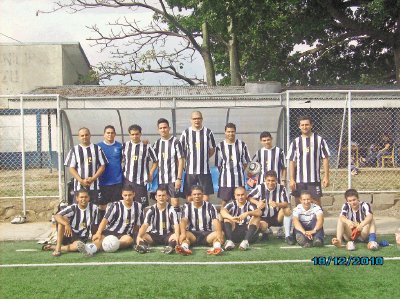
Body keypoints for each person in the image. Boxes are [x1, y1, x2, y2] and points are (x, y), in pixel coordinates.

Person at [77, 186, 144, 256]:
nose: (127, 197)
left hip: (125, 234)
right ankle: (90, 249)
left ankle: (109, 245)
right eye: (125, 195)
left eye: (130, 195)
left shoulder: (139, 206)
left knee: (129, 240)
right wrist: (98, 233)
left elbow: (137, 225)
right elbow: (105, 220)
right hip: (111, 231)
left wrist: (137, 237)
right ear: (122, 195)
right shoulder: (115, 205)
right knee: (99, 239)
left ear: (134, 194)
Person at [287, 115, 330, 206]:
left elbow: (325, 158)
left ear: (311, 125)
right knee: (299, 204)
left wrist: (326, 176)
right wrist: (291, 179)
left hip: (314, 178)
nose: (304, 127)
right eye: (302, 125)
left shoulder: (319, 140)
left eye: (307, 124)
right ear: (299, 126)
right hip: (299, 179)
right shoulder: (295, 142)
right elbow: (292, 161)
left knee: (317, 204)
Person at [42, 189, 99, 256]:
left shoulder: (94, 208)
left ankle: (54, 247)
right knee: (62, 220)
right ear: (77, 198)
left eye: (86, 197)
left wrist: (94, 238)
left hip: (82, 236)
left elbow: (95, 224)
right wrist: (66, 224)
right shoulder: (73, 208)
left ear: (89, 198)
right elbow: (57, 216)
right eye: (81, 197)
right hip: (69, 233)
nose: (84, 199)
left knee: (78, 246)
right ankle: (58, 249)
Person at [248, 170, 294, 245]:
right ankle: (266, 231)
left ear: (276, 180)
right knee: (261, 226)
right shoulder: (260, 187)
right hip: (264, 217)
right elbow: (249, 197)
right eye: (268, 180)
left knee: (287, 210)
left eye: (273, 181)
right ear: (265, 180)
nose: (270, 183)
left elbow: (286, 203)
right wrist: (257, 202)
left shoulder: (281, 188)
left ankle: (287, 236)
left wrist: (277, 204)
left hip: (276, 216)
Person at [175, 186, 224, 255]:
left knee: (220, 233)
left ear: (203, 194)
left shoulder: (210, 206)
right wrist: (183, 233)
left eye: (199, 194)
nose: (197, 196)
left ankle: (216, 248)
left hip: (207, 234)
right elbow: (183, 220)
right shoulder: (187, 206)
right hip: (193, 234)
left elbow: (216, 221)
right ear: (191, 196)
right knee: (185, 234)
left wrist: (219, 234)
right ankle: (184, 248)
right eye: (194, 194)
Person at [64, 127, 108, 204]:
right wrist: (81, 180)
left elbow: (102, 166)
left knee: (94, 209)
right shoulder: (74, 150)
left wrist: (93, 178)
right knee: (78, 210)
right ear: (79, 137)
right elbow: (71, 168)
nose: (84, 137)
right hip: (79, 186)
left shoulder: (97, 149)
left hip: (93, 186)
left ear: (90, 135)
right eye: (82, 135)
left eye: (86, 135)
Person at [180, 111, 216, 201]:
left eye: (198, 118)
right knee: (189, 196)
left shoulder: (208, 132)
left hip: (204, 170)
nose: (197, 120)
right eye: (194, 118)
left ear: (202, 119)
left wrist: (204, 158)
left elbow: (212, 149)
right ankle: (191, 214)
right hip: (190, 171)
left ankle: (203, 214)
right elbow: (181, 151)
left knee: (205, 196)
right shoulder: (186, 133)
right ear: (191, 120)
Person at [135, 187, 180, 254]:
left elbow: (176, 225)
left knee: (176, 235)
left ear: (167, 197)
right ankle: (143, 246)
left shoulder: (171, 209)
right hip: (154, 235)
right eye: (159, 195)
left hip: (167, 235)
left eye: (163, 195)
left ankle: (170, 247)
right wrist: (139, 237)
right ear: (156, 197)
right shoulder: (151, 209)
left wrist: (177, 237)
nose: (161, 197)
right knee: (142, 235)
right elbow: (145, 225)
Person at [215, 123, 250, 206]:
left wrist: (239, 171)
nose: (230, 133)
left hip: (239, 180)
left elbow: (245, 162)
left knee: (240, 201)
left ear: (235, 132)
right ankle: (222, 217)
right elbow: (218, 164)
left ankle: (240, 218)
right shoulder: (220, 146)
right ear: (225, 132)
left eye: (232, 131)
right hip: (225, 180)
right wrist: (227, 172)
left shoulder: (242, 145)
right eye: (228, 131)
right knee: (224, 201)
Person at [123, 124, 158, 207]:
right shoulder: (125, 146)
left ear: (140, 134)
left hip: (141, 181)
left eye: (137, 134)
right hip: (128, 180)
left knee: (142, 206)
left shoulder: (147, 147)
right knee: (128, 204)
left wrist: (150, 173)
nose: (135, 136)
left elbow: (155, 161)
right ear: (129, 135)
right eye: (132, 134)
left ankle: (143, 220)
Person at [153, 118, 184, 213]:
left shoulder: (176, 142)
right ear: (158, 130)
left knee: (175, 202)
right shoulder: (157, 143)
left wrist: (179, 178)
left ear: (169, 128)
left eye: (165, 127)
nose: (163, 130)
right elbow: (155, 160)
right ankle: (164, 224)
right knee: (162, 203)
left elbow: (181, 161)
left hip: (173, 179)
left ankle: (176, 225)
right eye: (161, 128)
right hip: (161, 179)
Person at [220, 187, 261, 251]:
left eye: (242, 194)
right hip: (234, 233)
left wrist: (247, 213)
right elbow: (222, 211)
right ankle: (229, 241)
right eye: (238, 195)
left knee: (257, 218)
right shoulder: (232, 204)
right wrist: (231, 218)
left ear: (246, 195)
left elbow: (259, 212)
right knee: (226, 218)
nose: (240, 197)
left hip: (248, 233)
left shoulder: (250, 205)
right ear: (235, 196)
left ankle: (245, 242)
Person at [97, 125, 123, 219]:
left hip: (117, 181)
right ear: (104, 134)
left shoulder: (120, 146)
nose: (110, 135)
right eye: (108, 133)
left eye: (112, 133)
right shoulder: (98, 147)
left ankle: (115, 225)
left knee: (116, 205)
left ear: (115, 134)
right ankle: (102, 228)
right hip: (103, 181)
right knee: (102, 205)